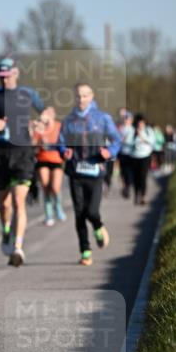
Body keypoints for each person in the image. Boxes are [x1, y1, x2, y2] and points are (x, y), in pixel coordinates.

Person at [0, 56, 44, 267]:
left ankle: (18, 248)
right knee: (4, 204)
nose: (4, 80)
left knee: (18, 202)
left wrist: (40, 124)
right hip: (0, 154)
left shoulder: (28, 94)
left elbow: (47, 113)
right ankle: (6, 231)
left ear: (16, 73)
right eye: (1, 77)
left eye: (7, 76)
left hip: (23, 152)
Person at [58, 84, 121, 266]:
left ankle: (98, 225)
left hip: (96, 170)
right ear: (74, 97)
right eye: (78, 96)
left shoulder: (102, 119)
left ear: (91, 96)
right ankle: (85, 250)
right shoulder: (69, 120)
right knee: (79, 213)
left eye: (85, 96)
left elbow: (116, 140)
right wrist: (64, 151)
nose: (81, 99)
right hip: (76, 171)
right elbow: (61, 142)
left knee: (91, 211)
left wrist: (110, 152)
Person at [31, 106, 66, 227]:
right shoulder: (39, 128)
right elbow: (33, 144)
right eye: (46, 113)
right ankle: (48, 214)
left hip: (57, 160)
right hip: (42, 159)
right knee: (45, 187)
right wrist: (39, 140)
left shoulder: (59, 126)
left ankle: (58, 206)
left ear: (54, 115)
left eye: (50, 112)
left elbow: (65, 141)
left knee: (55, 187)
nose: (48, 115)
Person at [129, 113, 156, 205]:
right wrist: (136, 137)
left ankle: (143, 196)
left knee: (143, 177)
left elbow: (152, 141)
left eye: (142, 123)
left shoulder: (149, 131)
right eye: (139, 123)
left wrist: (143, 138)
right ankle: (136, 194)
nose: (140, 125)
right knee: (136, 178)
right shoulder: (132, 131)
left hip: (145, 156)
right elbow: (128, 142)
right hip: (134, 156)